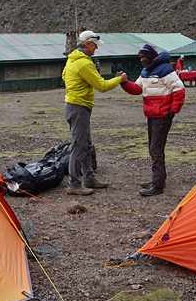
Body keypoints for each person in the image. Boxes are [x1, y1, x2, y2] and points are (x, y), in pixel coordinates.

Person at [62, 30, 127, 196]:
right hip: (79, 106)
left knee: (85, 143)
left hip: (75, 105)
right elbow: (102, 86)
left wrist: (77, 86)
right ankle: (74, 184)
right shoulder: (84, 63)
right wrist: (120, 79)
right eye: (95, 45)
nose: (96, 48)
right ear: (87, 44)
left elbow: (64, 75)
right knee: (79, 145)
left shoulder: (72, 59)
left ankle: (89, 178)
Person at [121, 44, 185, 196]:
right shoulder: (146, 71)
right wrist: (124, 83)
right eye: (140, 57)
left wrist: (173, 111)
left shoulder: (165, 69)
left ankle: (157, 185)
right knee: (154, 148)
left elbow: (179, 89)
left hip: (162, 116)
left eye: (143, 56)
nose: (141, 59)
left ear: (151, 56)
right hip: (152, 116)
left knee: (156, 149)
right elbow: (137, 89)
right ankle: (159, 179)